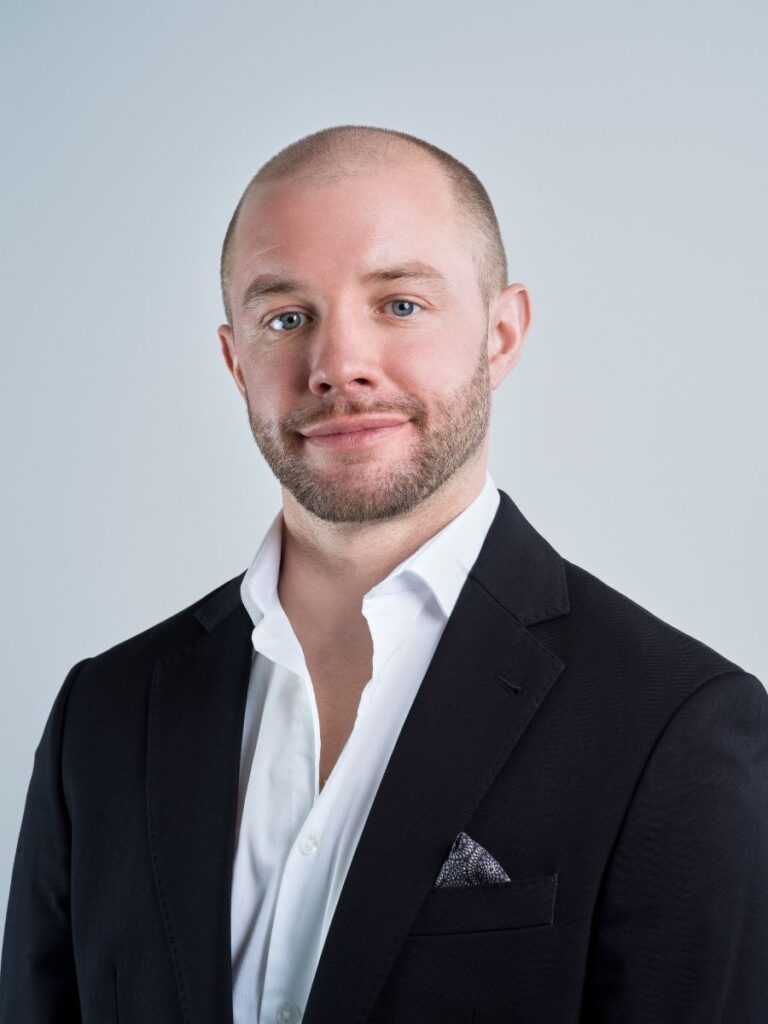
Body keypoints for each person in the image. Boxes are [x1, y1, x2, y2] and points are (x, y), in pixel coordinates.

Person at [1, 124, 766, 1024]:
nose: (338, 367)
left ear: (501, 334)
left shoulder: (678, 728)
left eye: (399, 304)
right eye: (287, 318)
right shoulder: (102, 716)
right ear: (235, 360)